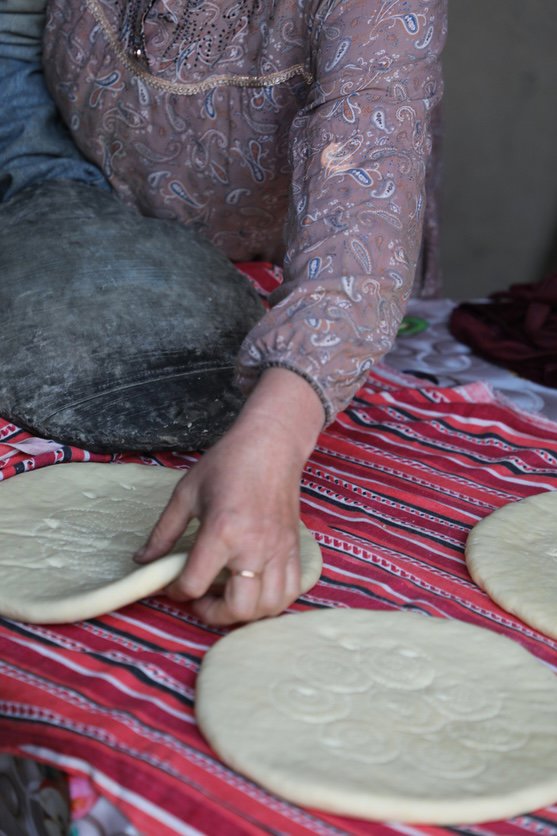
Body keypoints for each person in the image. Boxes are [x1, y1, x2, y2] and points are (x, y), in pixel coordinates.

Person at [0, 0, 447, 626]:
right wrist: (42, 179)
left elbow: (362, 212)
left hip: (284, 270)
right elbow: (13, 37)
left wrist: (275, 437)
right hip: (67, 192)